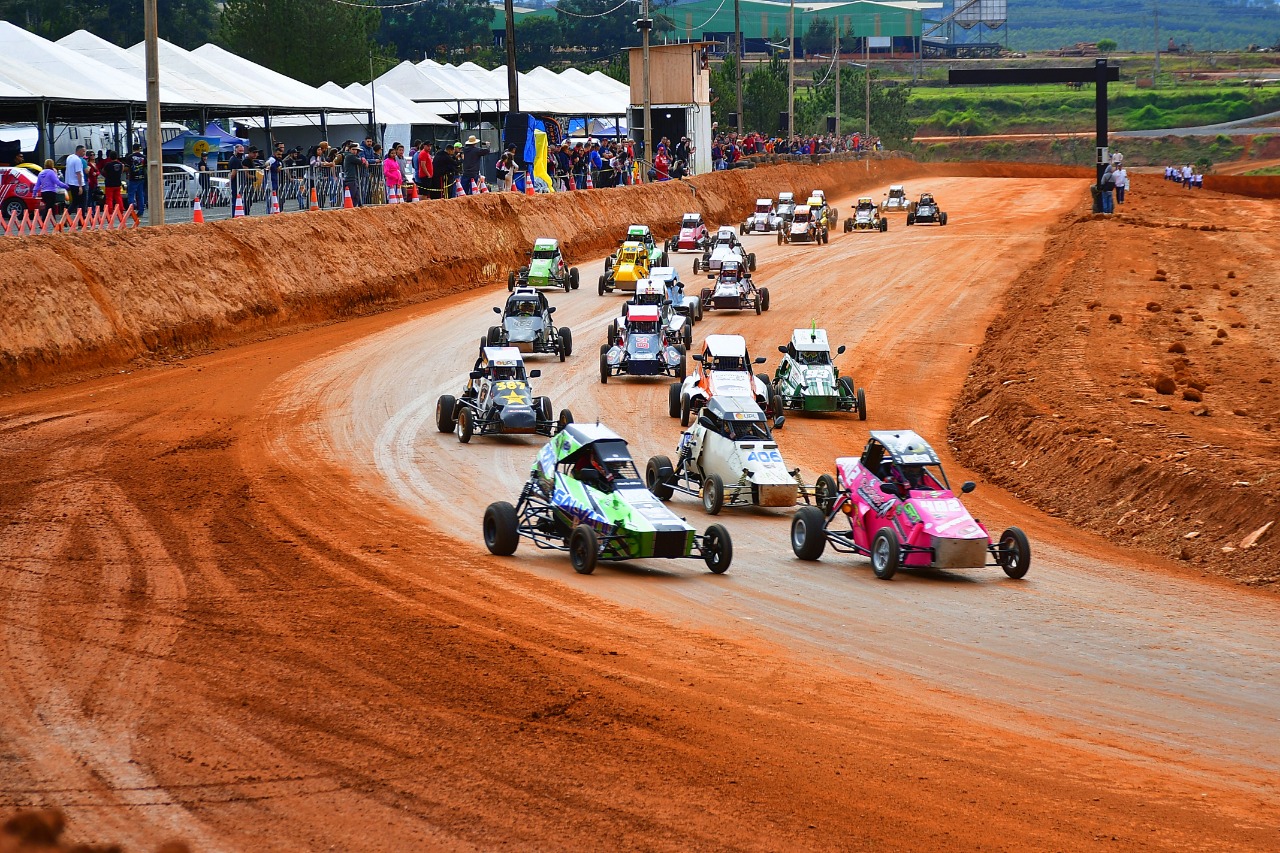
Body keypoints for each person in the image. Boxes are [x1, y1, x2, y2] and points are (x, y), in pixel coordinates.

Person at [228, 144, 251, 214]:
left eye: (242, 151)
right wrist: (229, 181)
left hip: (239, 183)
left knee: (239, 199)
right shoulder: (235, 160)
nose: (241, 152)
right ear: (235, 150)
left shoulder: (237, 159)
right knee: (237, 200)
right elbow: (233, 172)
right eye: (240, 150)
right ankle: (236, 214)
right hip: (237, 183)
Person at [125, 143, 147, 215]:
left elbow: (127, 168)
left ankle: (132, 210)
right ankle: (141, 211)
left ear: (133, 148)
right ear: (139, 148)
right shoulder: (144, 157)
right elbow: (145, 167)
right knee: (140, 194)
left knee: (131, 194)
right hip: (141, 177)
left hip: (133, 178)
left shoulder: (130, 157)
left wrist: (127, 173)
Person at [63, 145, 86, 214]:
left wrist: (66, 182)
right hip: (77, 184)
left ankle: (67, 216)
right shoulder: (78, 160)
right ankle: (81, 218)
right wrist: (80, 186)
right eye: (83, 151)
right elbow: (78, 173)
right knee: (82, 202)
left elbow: (68, 170)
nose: (84, 153)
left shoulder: (69, 158)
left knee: (75, 202)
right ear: (79, 151)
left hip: (71, 183)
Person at [341, 141, 365, 206]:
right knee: (353, 195)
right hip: (350, 179)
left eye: (356, 150)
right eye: (353, 149)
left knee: (356, 196)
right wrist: (363, 159)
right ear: (349, 150)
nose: (355, 151)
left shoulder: (351, 156)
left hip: (353, 178)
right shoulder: (350, 156)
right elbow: (360, 162)